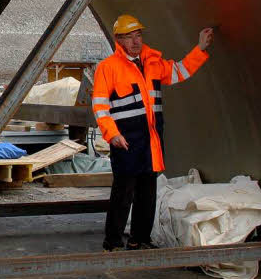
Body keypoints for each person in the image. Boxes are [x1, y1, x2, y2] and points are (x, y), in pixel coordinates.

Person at [91, 14, 214, 251]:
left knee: (148, 192)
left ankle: (140, 239)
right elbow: (100, 106)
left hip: (150, 140)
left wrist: (199, 48)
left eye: (138, 35)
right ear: (118, 40)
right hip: (125, 140)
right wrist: (112, 134)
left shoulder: (152, 62)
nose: (136, 42)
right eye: (129, 37)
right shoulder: (108, 68)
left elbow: (179, 71)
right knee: (123, 193)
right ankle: (113, 241)